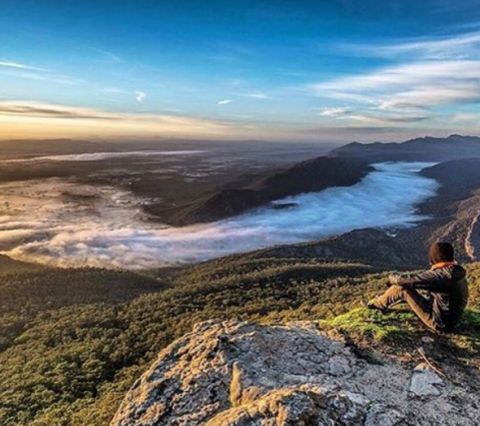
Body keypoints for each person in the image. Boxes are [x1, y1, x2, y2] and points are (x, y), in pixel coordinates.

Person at [367, 242, 469, 332]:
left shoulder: (441, 276)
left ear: (435, 259)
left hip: (440, 323)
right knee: (417, 289)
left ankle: (376, 304)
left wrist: (391, 279)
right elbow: (423, 283)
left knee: (401, 289)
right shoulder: (456, 271)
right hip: (452, 319)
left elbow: (410, 281)